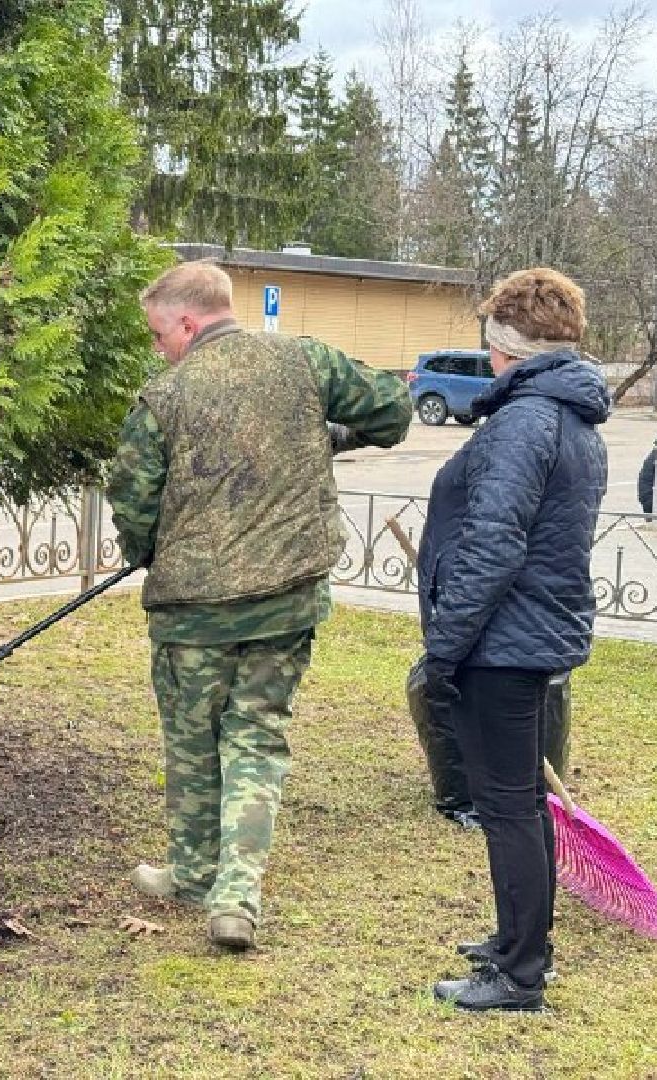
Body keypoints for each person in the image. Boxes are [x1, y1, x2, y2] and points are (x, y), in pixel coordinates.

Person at [105, 260, 412, 950]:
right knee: (255, 740)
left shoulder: (164, 397)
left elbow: (131, 504)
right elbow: (393, 410)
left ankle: (194, 871)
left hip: (194, 612)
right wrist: (333, 434)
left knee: (191, 741)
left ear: (187, 321)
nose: (159, 348)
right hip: (286, 601)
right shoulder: (305, 361)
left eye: (159, 334)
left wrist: (152, 549)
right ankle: (230, 895)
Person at [418, 267, 608, 1012]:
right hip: (531, 634)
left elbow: (492, 546)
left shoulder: (527, 420)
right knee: (523, 801)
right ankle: (519, 942)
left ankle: (520, 973)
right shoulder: (570, 414)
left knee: (508, 806)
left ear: (503, 347)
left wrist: (446, 650)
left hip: (500, 644)